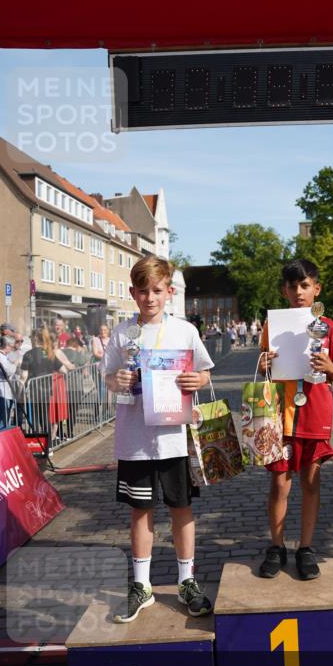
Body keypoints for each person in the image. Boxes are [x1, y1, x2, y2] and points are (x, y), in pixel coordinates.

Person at [102, 257, 213, 623]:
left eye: (156, 290)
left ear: (169, 292)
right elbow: (107, 377)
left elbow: (205, 372)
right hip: (135, 439)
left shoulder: (184, 330)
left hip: (174, 439)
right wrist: (116, 381)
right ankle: (141, 585)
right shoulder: (122, 333)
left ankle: (186, 581)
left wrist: (198, 380)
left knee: (181, 507)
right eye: (142, 291)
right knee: (140, 510)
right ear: (132, 293)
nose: (149, 298)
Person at [258, 259, 333, 581]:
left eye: (305, 285)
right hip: (280, 416)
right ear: (285, 290)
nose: (299, 291)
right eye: (293, 286)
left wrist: (329, 367)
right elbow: (264, 370)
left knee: (311, 483)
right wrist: (263, 364)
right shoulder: (272, 325)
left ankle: (306, 547)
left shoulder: (331, 328)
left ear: (316, 289)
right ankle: (276, 546)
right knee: (279, 485)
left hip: (315, 415)